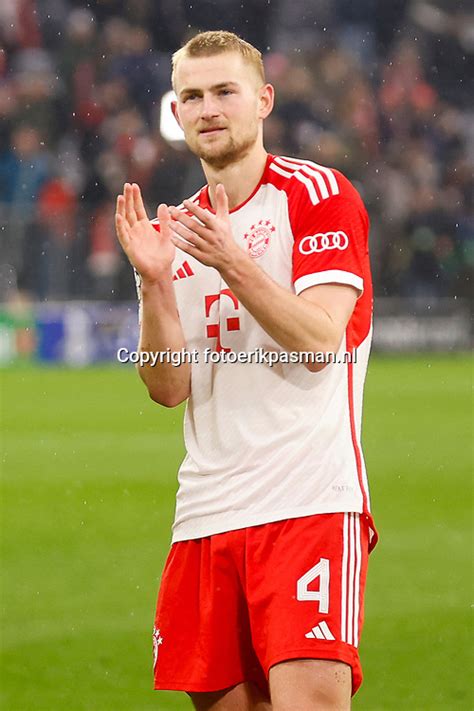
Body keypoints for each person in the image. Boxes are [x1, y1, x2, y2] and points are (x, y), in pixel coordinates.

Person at [115, 30, 377, 711]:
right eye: (191, 96)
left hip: (307, 502)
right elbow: (168, 386)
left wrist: (233, 261)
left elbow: (322, 339)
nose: (207, 108)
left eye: (224, 91)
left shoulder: (318, 194)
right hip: (206, 513)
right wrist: (154, 283)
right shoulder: (177, 230)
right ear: (176, 111)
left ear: (262, 100)